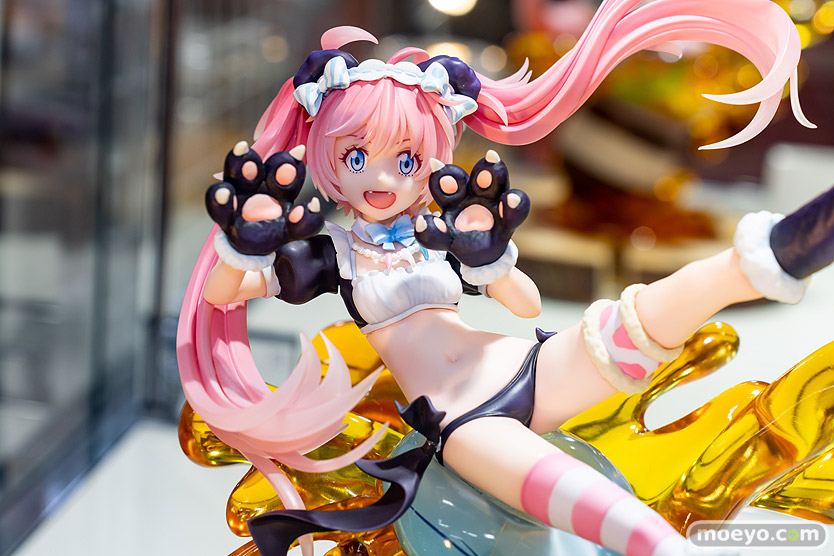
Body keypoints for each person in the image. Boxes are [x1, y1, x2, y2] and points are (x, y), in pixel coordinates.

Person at [177, 1, 831, 554]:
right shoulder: (334, 255)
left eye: (406, 160)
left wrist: (491, 258)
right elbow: (222, 295)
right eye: (356, 157)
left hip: (524, 366)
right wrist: (243, 248)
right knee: (619, 521)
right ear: (325, 155)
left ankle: (779, 252)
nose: (381, 179)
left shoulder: (434, 233)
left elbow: (525, 304)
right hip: (462, 423)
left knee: (646, 316)